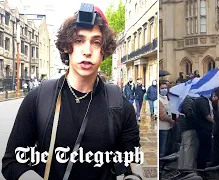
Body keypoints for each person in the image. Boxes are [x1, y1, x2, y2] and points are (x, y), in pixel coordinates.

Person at [2, 5, 141, 180]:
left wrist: (134, 175)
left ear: (104, 50)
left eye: (96, 42)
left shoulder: (120, 105)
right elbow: (12, 162)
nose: (87, 51)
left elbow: (133, 161)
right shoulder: (38, 99)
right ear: (68, 46)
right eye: (79, 40)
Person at [159, 80, 175, 158]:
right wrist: (172, 121)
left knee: (165, 147)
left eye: (165, 88)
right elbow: (162, 116)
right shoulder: (159, 100)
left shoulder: (166, 98)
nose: (164, 89)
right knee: (162, 148)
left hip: (167, 126)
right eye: (162, 88)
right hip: (162, 127)